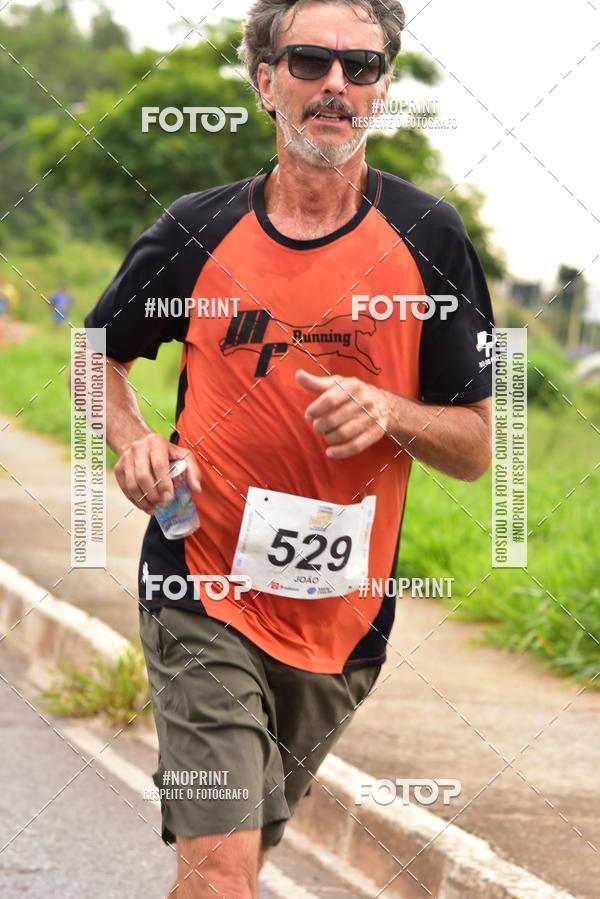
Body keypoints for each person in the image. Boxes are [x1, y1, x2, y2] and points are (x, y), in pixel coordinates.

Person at [83, 1, 494, 895]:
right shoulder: (197, 230)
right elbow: (94, 358)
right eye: (309, 61)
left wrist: (393, 411)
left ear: (383, 90)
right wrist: (136, 443)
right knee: (225, 866)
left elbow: (472, 447)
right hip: (200, 587)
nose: (336, 85)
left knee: (244, 850)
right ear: (266, 82)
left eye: (363, 66)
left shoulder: (430, 241)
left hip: (340, 620)